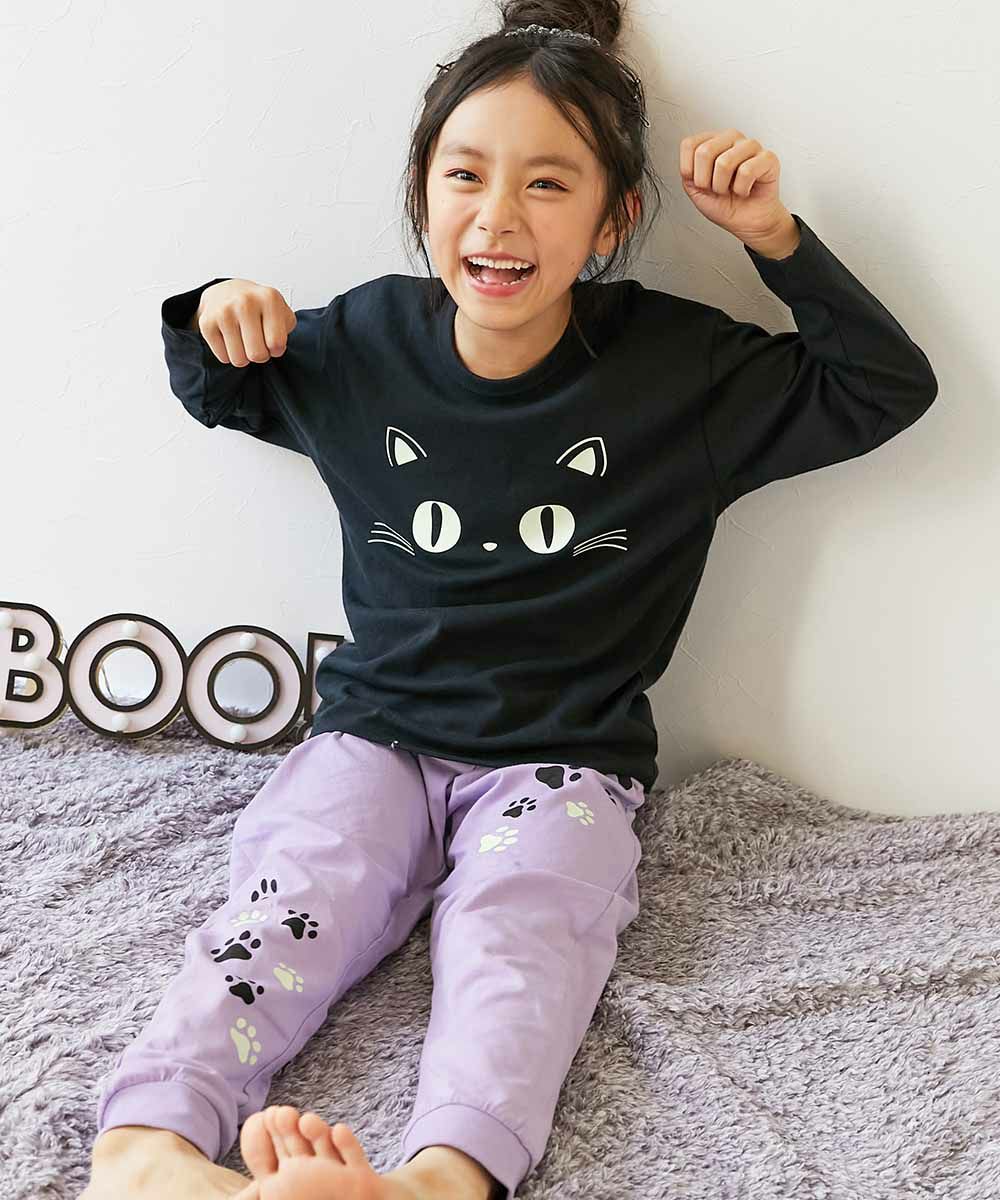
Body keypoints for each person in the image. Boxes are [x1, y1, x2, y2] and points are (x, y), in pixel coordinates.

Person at [80, 1, 938, 1198]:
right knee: (291, 898)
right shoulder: (367, 342)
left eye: (547, 184)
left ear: (612, 218)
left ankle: (439, 1179)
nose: (497, 216)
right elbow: (217, 384)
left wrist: (772, 238)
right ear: (422, 192)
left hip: (561, 760)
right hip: (374, 738)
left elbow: (882, 386)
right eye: (465, 175)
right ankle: (150, 1144)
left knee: (520, 936)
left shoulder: (676, 372)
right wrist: (217, 304)